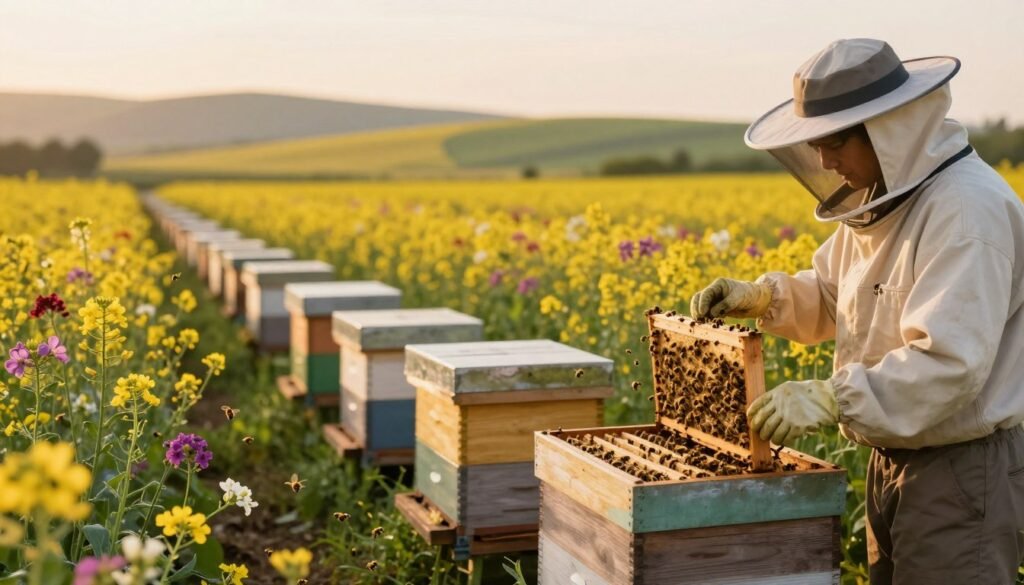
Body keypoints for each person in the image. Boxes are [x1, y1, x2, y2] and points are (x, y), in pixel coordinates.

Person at [690, 38, 1024, 584]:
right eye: (815, 144)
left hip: (960, 469)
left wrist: (831, 396)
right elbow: (834, 294)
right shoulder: (886, 200)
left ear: (891, 128)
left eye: (835, 141)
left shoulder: (966, 211)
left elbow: (951, 362)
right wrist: (764, 297)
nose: (824, 161)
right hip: (893, 460)